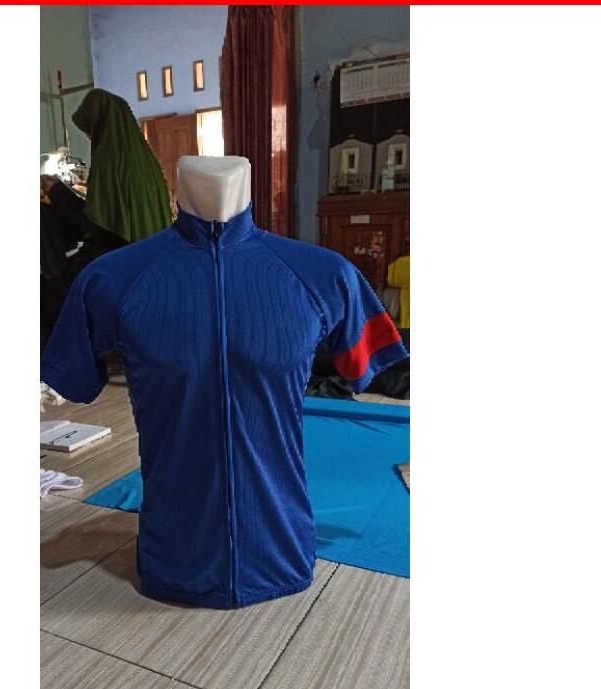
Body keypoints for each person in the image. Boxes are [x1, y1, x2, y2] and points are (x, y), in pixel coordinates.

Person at [40, 156, 408, 609]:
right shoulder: (111, 279)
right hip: (172, 558)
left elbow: (370, 366)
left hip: (283, 552)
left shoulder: (325, 275)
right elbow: (74, 379)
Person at [40, 88, 172, 349]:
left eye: (90, 130)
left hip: (122, 254)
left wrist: (56, 191)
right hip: (152, 253)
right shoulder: (144, 160)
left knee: (52, 291)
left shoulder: (110, 161)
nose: (89, 137)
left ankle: (70, 356)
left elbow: (95, 223)